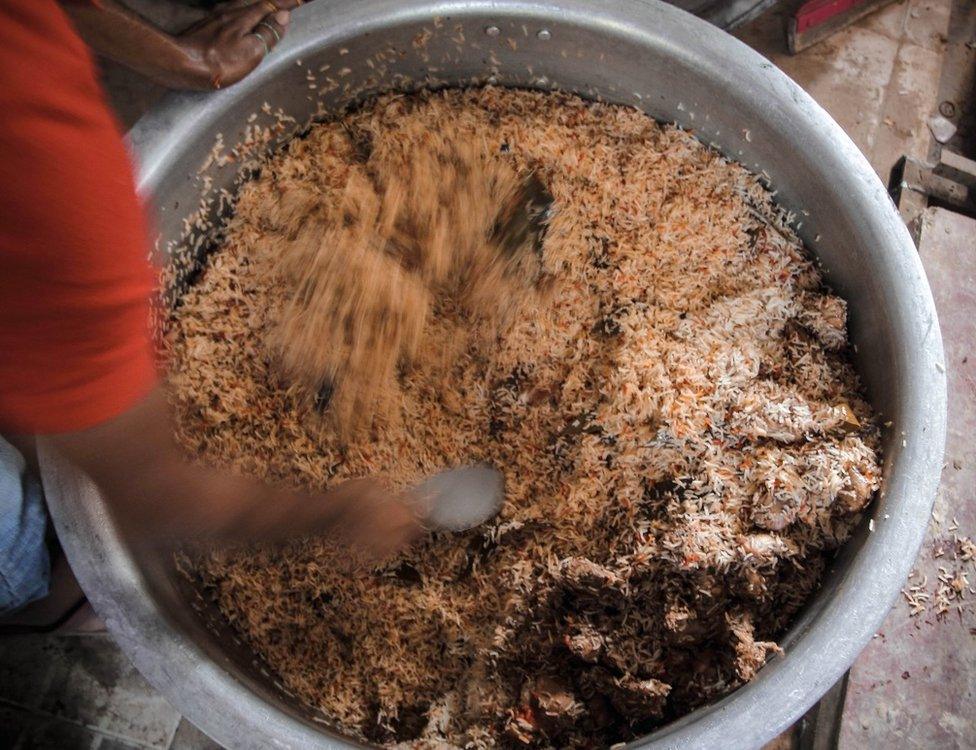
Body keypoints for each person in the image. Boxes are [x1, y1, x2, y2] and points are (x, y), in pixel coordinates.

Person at [0, 0, 419, 616]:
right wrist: (338, 509)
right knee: (14, 543)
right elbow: (156, 498)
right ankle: (34, 591)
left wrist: (172, 56)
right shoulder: (53, 195)